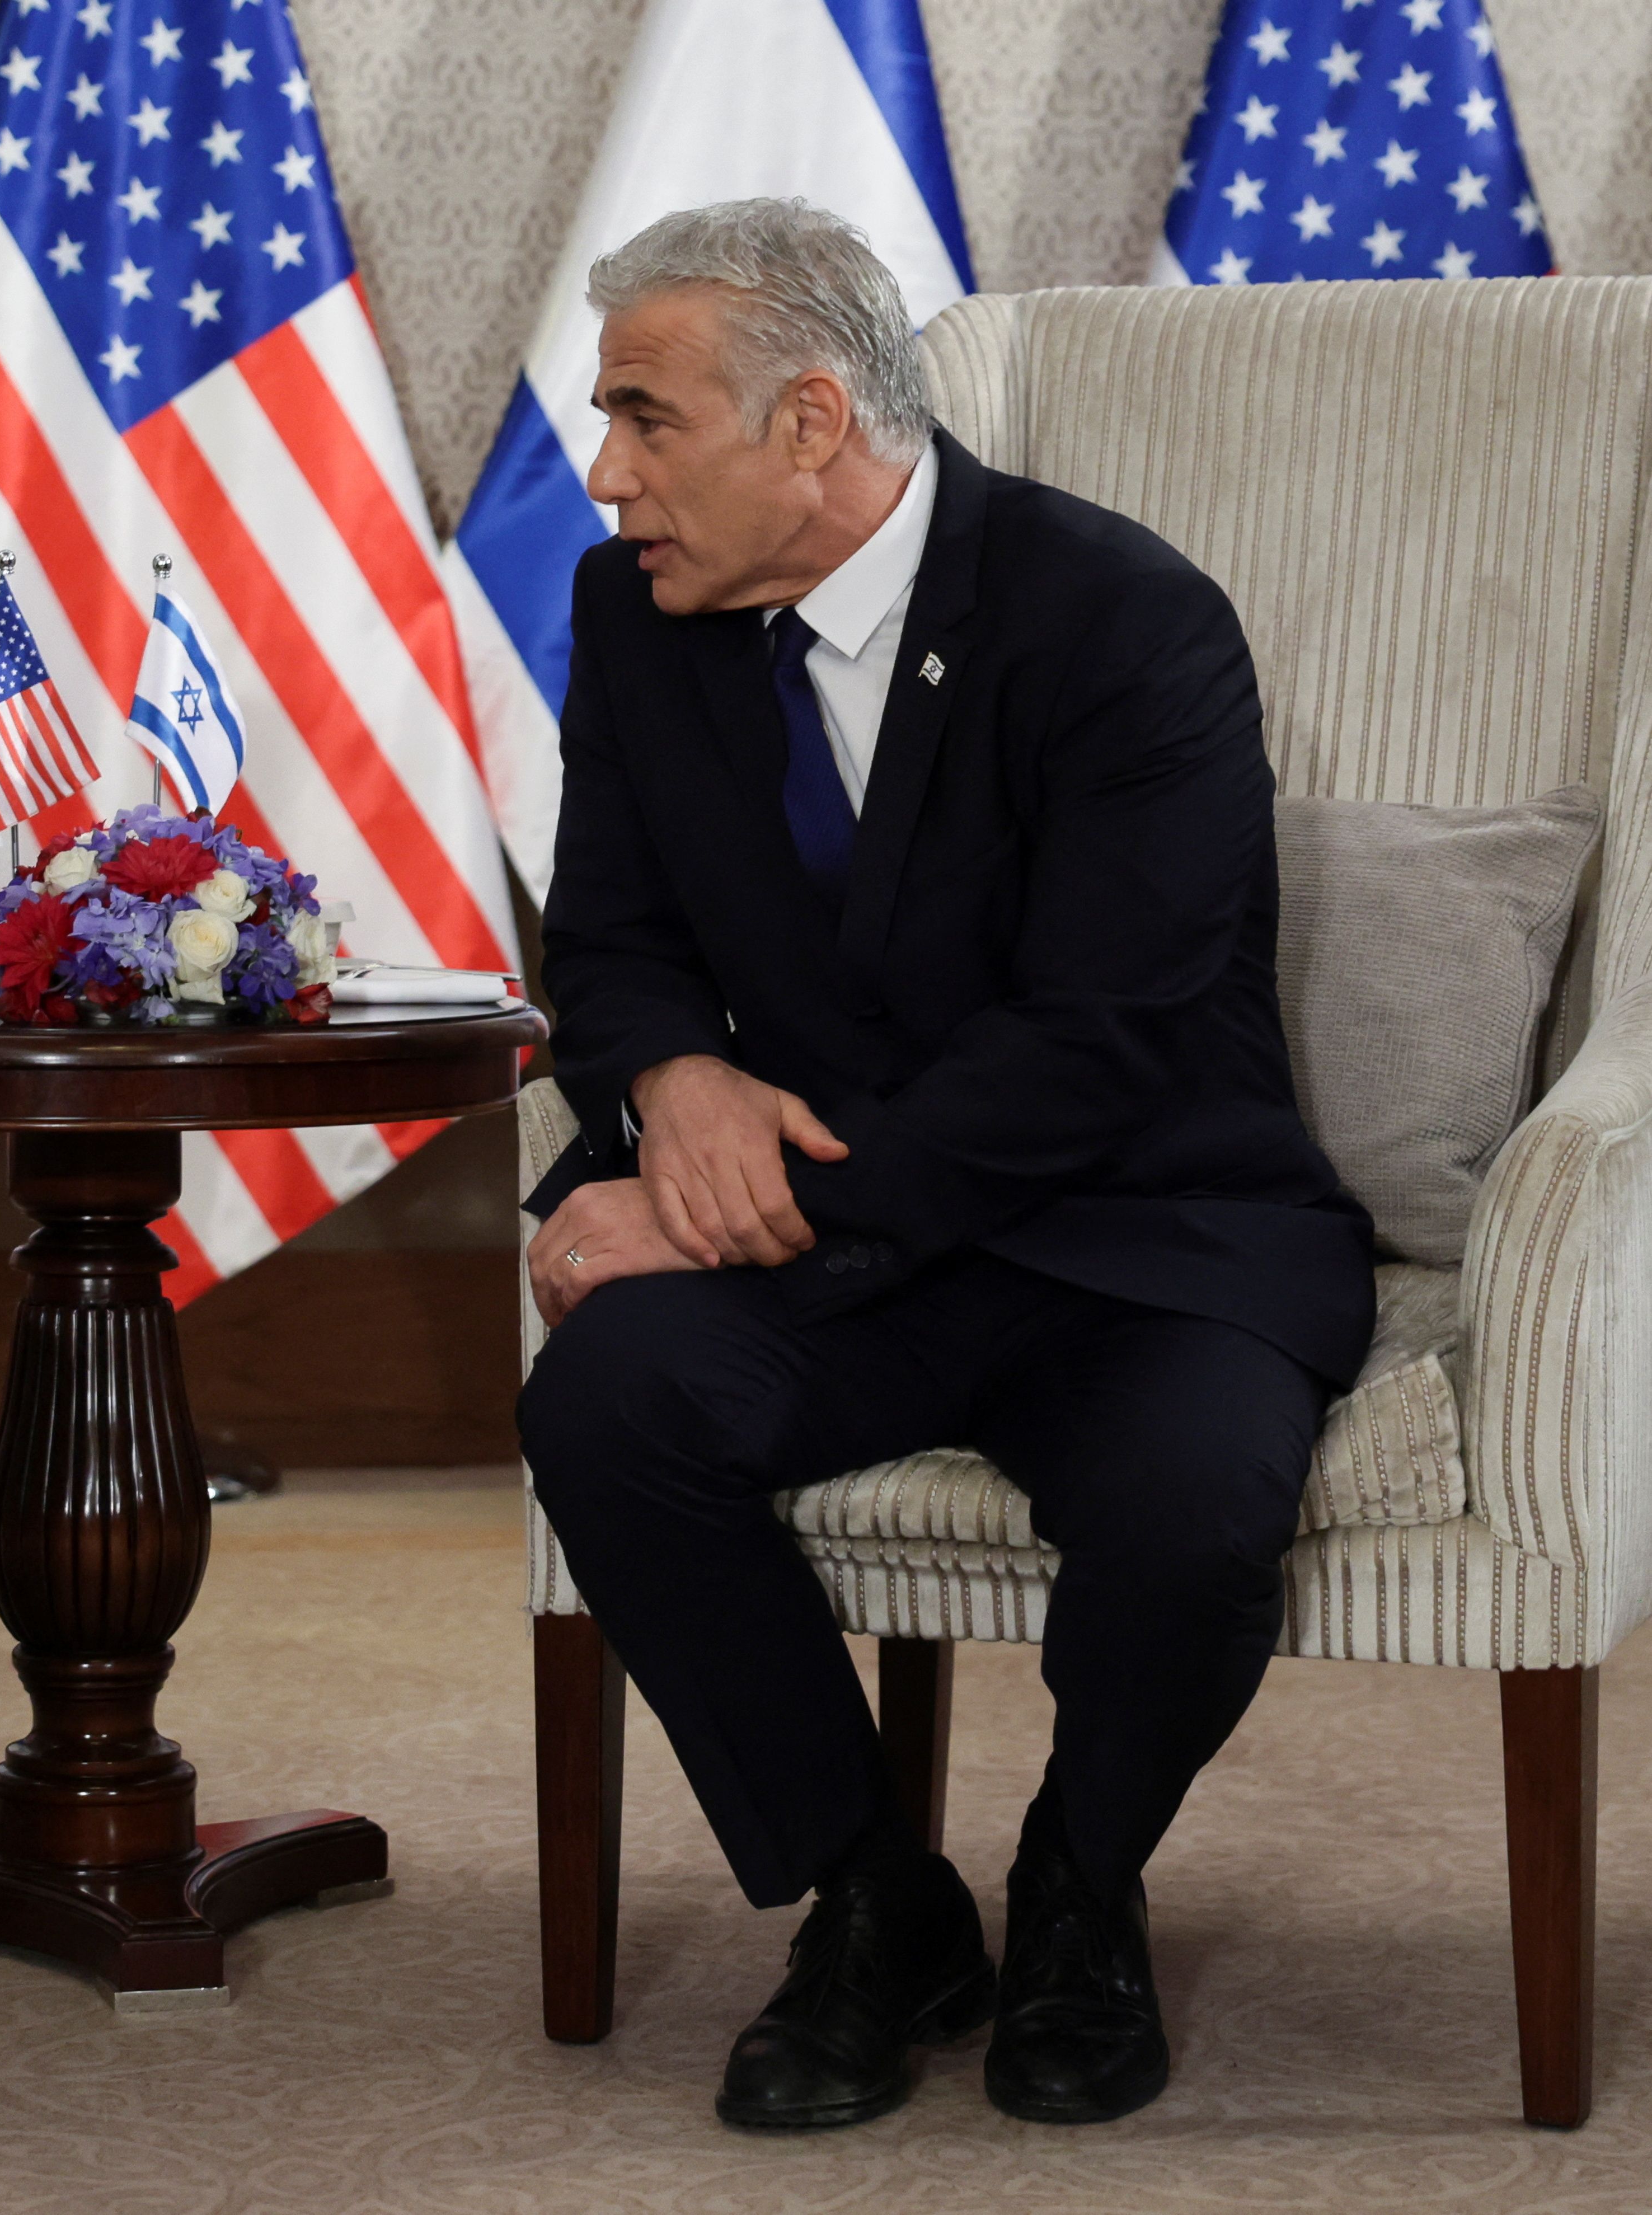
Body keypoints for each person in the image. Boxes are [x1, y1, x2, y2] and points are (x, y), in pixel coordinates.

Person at [515, 199, 1374, 2133]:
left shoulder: (1120, 618)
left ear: (810, 421)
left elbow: (1103, 1040)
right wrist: (671, 1083)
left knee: (1190, 1506)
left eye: (646, 418)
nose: (608, 474)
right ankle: (874, 1902)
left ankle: (1078, 1889)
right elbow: (614, 930)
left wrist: (745, 1200)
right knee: (610, 1406)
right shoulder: (630, 611)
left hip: (1134, 1230)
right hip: (850, 1264)